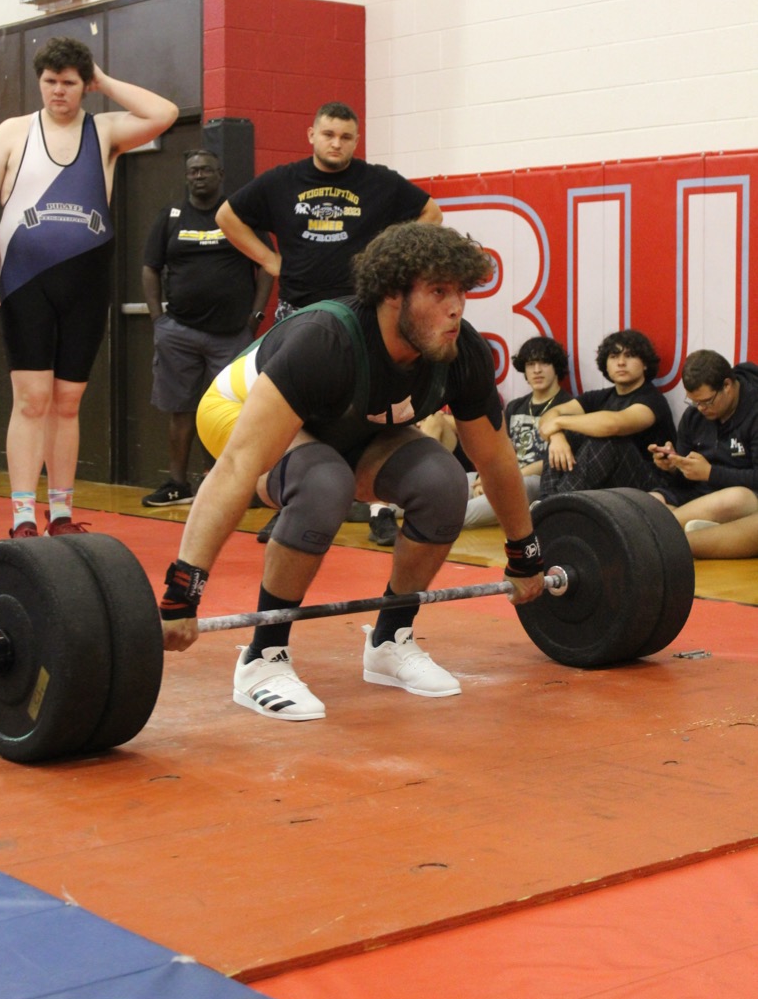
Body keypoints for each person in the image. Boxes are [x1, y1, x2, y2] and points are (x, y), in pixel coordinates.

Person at [157, 222, 545, 723]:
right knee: (324, 483)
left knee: (443, 481)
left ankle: (390, 640)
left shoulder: (459, 351)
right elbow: (235, 468)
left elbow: (494, 459)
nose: (456, 309)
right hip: (235, 411)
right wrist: (183, 590)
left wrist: (524, 554)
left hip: (344, 426)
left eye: (462, 293)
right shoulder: (325, 341)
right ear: (391, 294)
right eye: (438, 292)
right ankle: (262, 658)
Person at [0, 37, 178, 538]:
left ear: (84, 85)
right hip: (24, 282)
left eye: (68, 82)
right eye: (49, 81)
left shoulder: (103, 131)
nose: (58, 91)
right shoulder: (13, 132)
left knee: (67, 400)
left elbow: (165, 112)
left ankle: (59, 512)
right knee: (31, 399)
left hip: (85, 285)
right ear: (38, 82)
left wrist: (102, 78)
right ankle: (21, 515)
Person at [215, 100, 443, 546]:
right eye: (328, 134)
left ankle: (374, 508)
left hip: (360, 319)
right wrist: (270, 261)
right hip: (298, 315)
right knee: (288, 417)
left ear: (356, 141)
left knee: (361, 413)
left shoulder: (378, 182)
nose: (336, 143)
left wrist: (393, 263)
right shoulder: (283, 181)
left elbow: (431, 214)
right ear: (311, 135)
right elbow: (228, 217)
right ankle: (287, 501)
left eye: (345, 137)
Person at [140, 149, 274, 506]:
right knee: (180, 409)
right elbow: (150, 267)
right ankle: (177, 484)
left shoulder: (239, 216)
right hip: (179, 332)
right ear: (187, 177)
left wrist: (256, 317)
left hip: (231, 335)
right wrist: (158, 319)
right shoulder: (170, 217)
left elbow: (266, 266)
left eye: (206, 171)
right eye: (193, 171)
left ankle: (229, 484)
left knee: (232, 412)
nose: (199, 176)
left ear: (221, 174)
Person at [420, 335, 569, 528]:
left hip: (533, 480)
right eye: (531, 364)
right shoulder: (516, 406)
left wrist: (502, 478)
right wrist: (487, 475)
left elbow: (551, 462)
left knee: (461, 513)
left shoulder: (567, 405)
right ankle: (391, 509)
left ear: (556, 367)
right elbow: (499, 445)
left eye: (544, 363)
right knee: (450, 483)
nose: (537, 370)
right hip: (503, 473)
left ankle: (430, 520)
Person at [537, 329, 676, 496]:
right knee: (565, 435)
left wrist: (559, 423)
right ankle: (547, 501)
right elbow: (550, 415)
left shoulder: (653, 399)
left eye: (630, 356)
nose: (621, 362)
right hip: (611, 484)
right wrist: (557, 436)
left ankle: (557, 504)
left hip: (651, 485)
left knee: (605, 440)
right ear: (606, 364)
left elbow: (613, 425)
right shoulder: (598, 397)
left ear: (645, 363)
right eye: (614, 356)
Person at [649, 349, 758, 539]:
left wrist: (710, 473)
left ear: (727, 385)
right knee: (651, 501)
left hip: (744, 499)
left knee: (735, 498)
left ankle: (656, 533)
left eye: (707, 402)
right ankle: (684, 530)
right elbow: (681, 482)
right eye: (694, 402)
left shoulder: (754, 412)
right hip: (697, 495)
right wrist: (673, 466)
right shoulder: (693, 416)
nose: (701, 409)